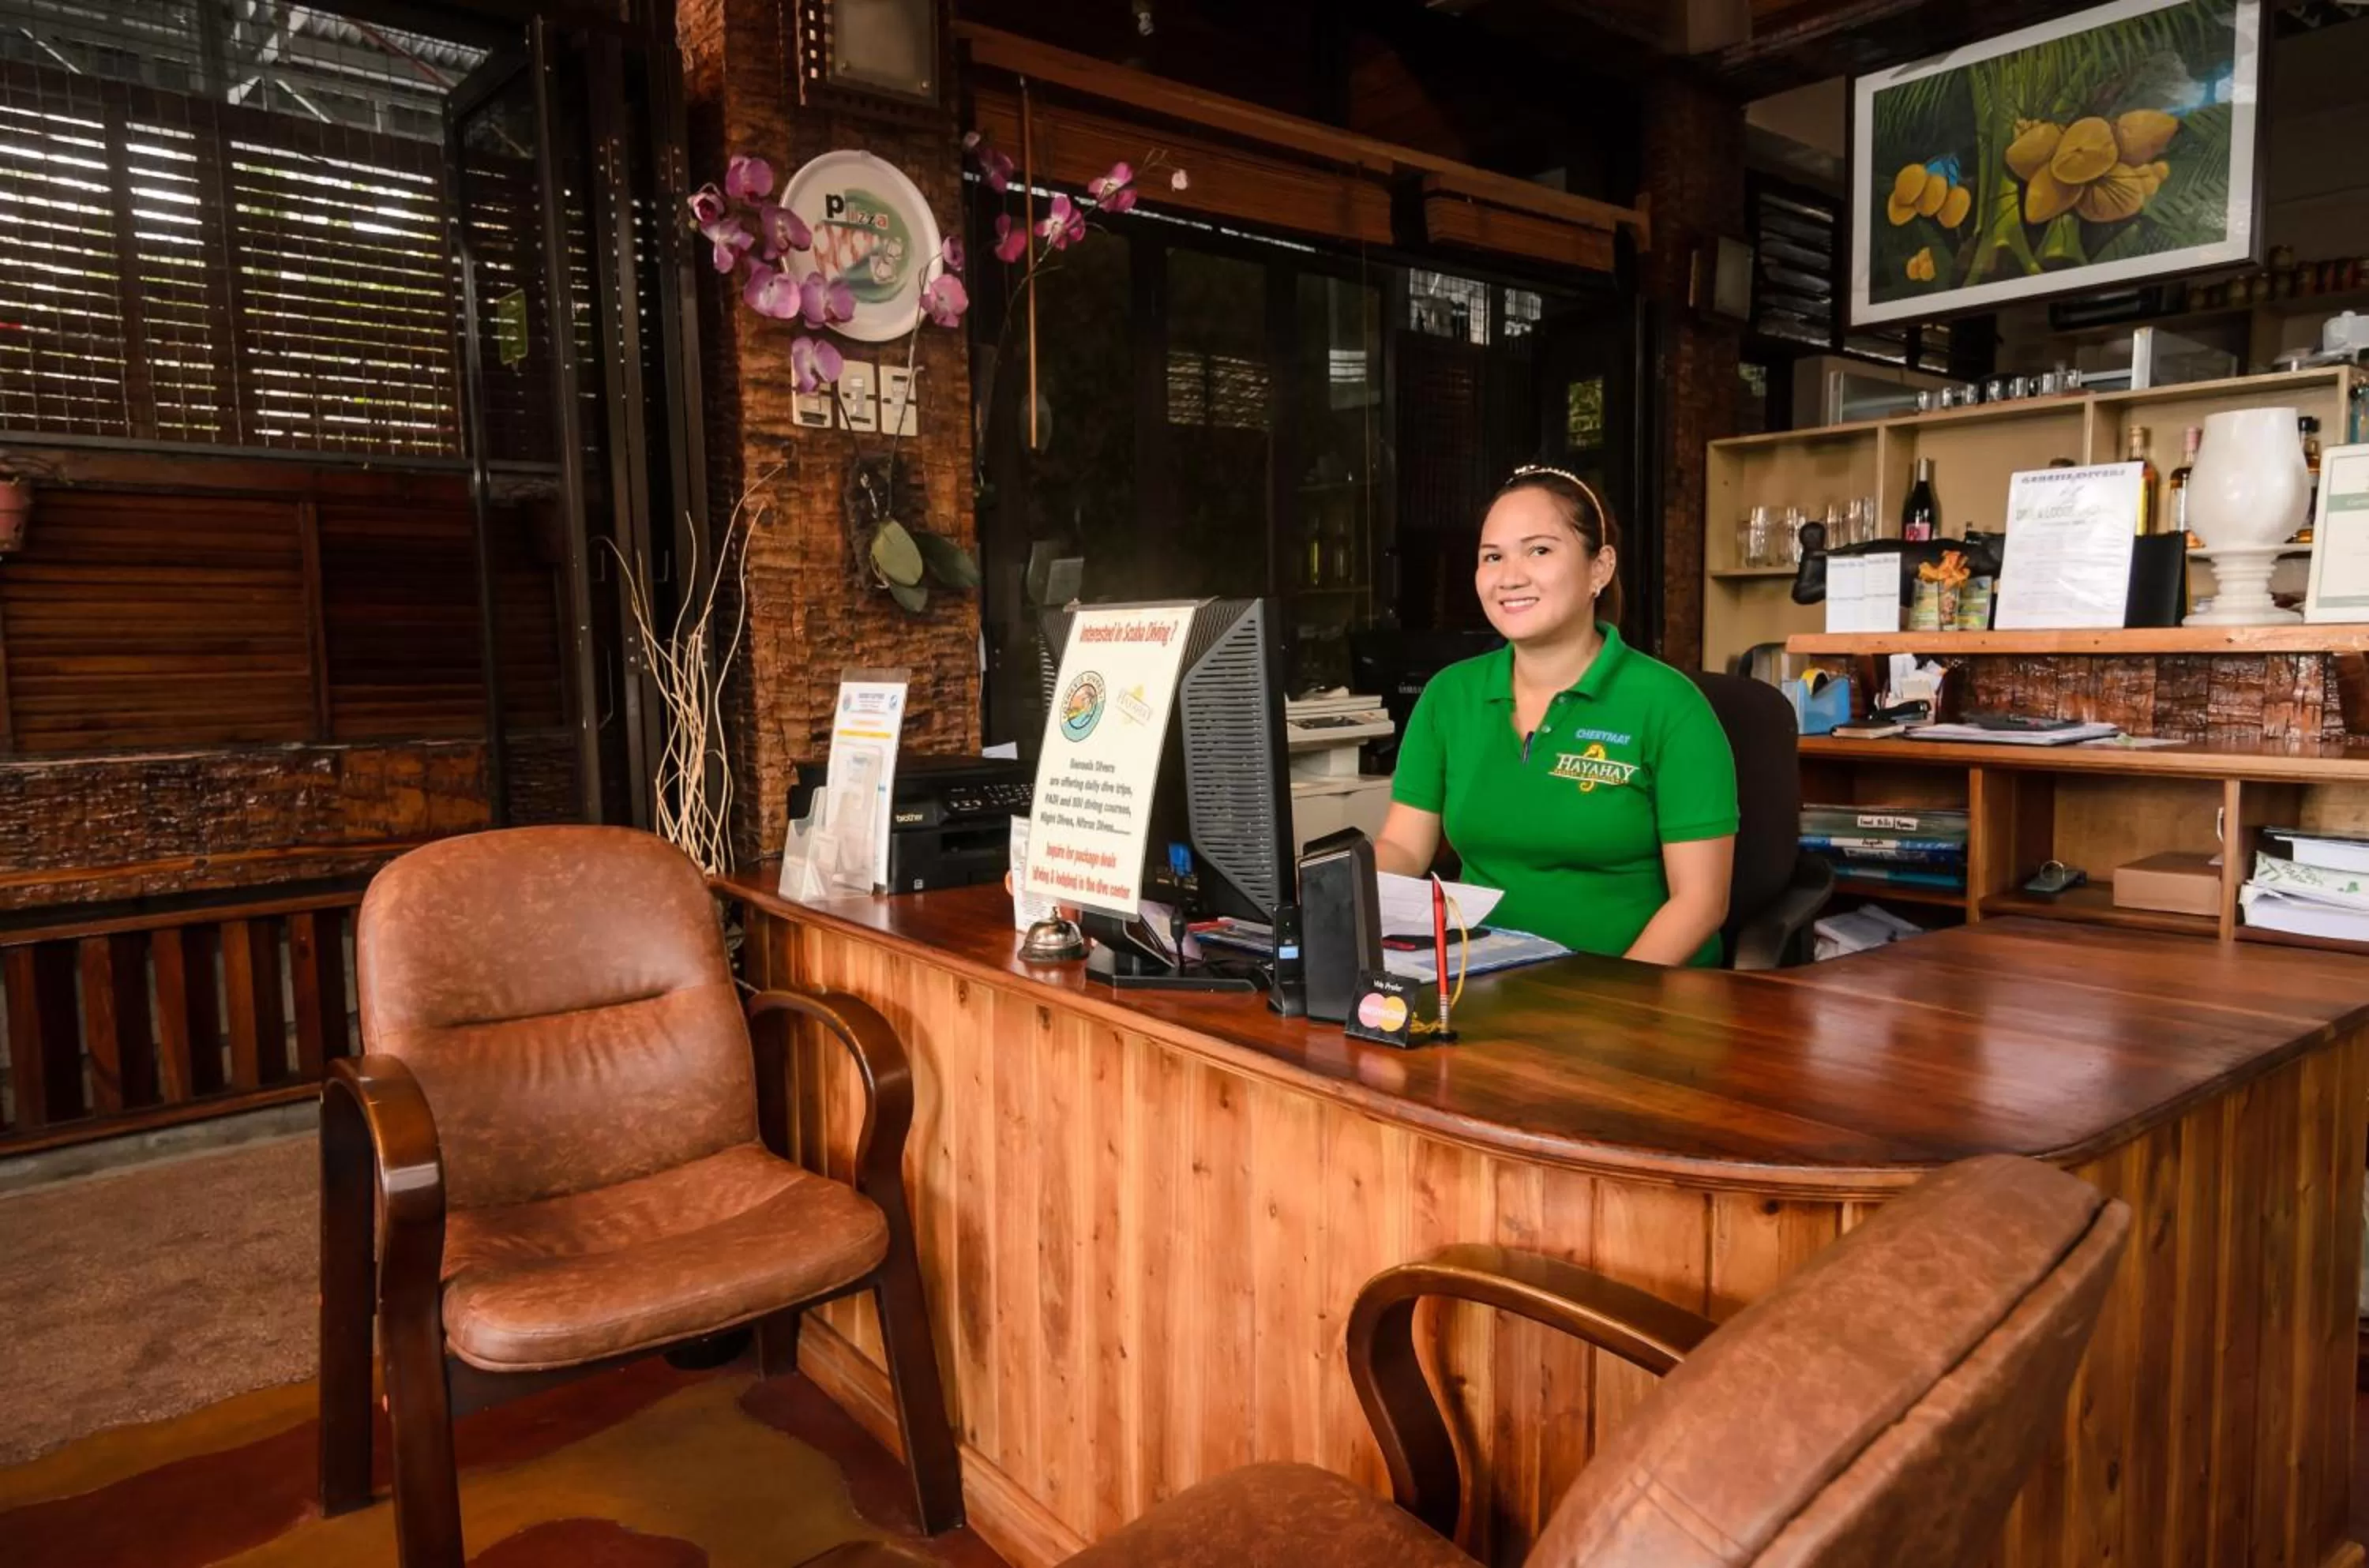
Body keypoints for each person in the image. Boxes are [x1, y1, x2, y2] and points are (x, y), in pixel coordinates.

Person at [1374, 465, 1739, 967]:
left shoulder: (1671, 706)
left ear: (1600, 568)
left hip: (1639, 1001)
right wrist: (1343, 889)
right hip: (1481, 984)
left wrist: (1609, 1001)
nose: (1510, 576)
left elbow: (1700, 904)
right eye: (1492, 557)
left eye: (1539, 550)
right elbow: (1404, 846)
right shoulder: (1448, 696)